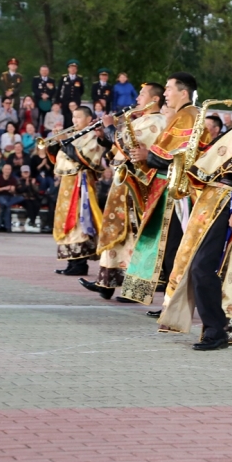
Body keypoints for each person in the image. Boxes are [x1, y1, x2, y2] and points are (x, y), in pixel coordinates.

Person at [155, 78, 232, 349]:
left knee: (204, 267)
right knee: (201, 265)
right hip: (212, 200)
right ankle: (222, 329)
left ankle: (216, 331)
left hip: (227, 202)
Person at [119, 72, 213, 308]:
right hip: (169, 189)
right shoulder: (183, 115)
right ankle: (170, 301)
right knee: (167, 247)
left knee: (173, 248)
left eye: (169, 89)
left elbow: (179, 158)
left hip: (178, 194)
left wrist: (146, 156)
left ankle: (176, 304)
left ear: (183, 93)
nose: (165, 94)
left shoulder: (188, 116)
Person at [79, 82, 167, 300]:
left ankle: (134, 287)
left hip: (135, 185)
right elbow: (118, 150)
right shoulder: (141, 120)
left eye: (143, 94)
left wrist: (110, 129)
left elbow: (130, 148)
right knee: (117, 233)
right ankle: (107, 281)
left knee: (134, 235)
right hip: (122, 182)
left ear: (155, 99)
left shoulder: (157, 122)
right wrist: (103, 136)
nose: (138, 98)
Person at [50, 106, 104, 275]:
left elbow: (84, 158)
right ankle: (71, 262)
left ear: (89, 119)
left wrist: (65, 142)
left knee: (79, 221)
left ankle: (80, 263)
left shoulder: (92, 136)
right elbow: (58, 157)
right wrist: (56, 142)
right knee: (66, 219)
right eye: (73, 117)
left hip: (81, 184)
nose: (75, 121)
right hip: (68, 183)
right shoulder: (75, 134)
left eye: (78, 117)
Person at [0, 163, 23, 231]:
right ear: (3, 170)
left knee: (21, 198)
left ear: (11, 170)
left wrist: (12, 191)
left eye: (9, 169)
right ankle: (8, 227)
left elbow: (13, 190)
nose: (7, 171)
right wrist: (5, 188)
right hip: (0, 196)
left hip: (10, 197)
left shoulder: (13, 178)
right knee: (7, 207)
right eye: (6, 169)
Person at [17, 166, 43, 232]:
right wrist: (26, 185)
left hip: (32, 198)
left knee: (37, 204)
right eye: (24, 172)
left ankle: (32, 221)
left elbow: (36, 191)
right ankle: (32, 221)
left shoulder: (33, 180)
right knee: (29, 204)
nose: (26, 173)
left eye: (27, 172)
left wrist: (33, 184)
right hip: (23, 198)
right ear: (21, 173)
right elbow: (19, 190)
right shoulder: (19, 180)